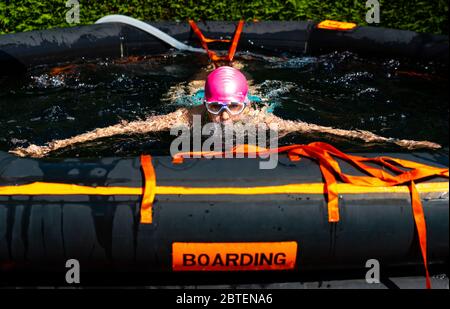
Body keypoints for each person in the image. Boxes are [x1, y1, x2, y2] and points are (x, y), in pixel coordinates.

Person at [10, 65, 441, 158]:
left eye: (231, 106)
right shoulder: (186, 118)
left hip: (261, 100)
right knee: (175, 94)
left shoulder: (264, 119)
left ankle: (229, 71)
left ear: (246, 104)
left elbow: (336, 130)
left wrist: (403, 144)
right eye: (215, 105)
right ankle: (196, 76)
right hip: (185, 98)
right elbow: (110, 129)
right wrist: (51, 146)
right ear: (205, 104)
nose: (222, 116)